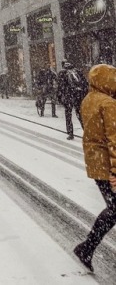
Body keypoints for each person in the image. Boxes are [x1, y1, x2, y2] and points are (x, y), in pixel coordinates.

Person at [73, 64, 116, 272]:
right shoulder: (108, 103)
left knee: (114, 208)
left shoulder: (88, 100)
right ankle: (86, 248)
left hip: (95, 161)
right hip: (108, 164)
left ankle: (86, 248)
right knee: (115, 209)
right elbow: (114, 139)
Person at [57, 59, 88, 140]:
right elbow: (85, 83)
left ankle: (70, 133)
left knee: (68, 114)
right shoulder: (77, 71)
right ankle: (86, 132)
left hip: (68, 96)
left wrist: (59, 97)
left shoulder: (62, 73)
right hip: (78, 96)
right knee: (80, 114)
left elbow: (60, 86)